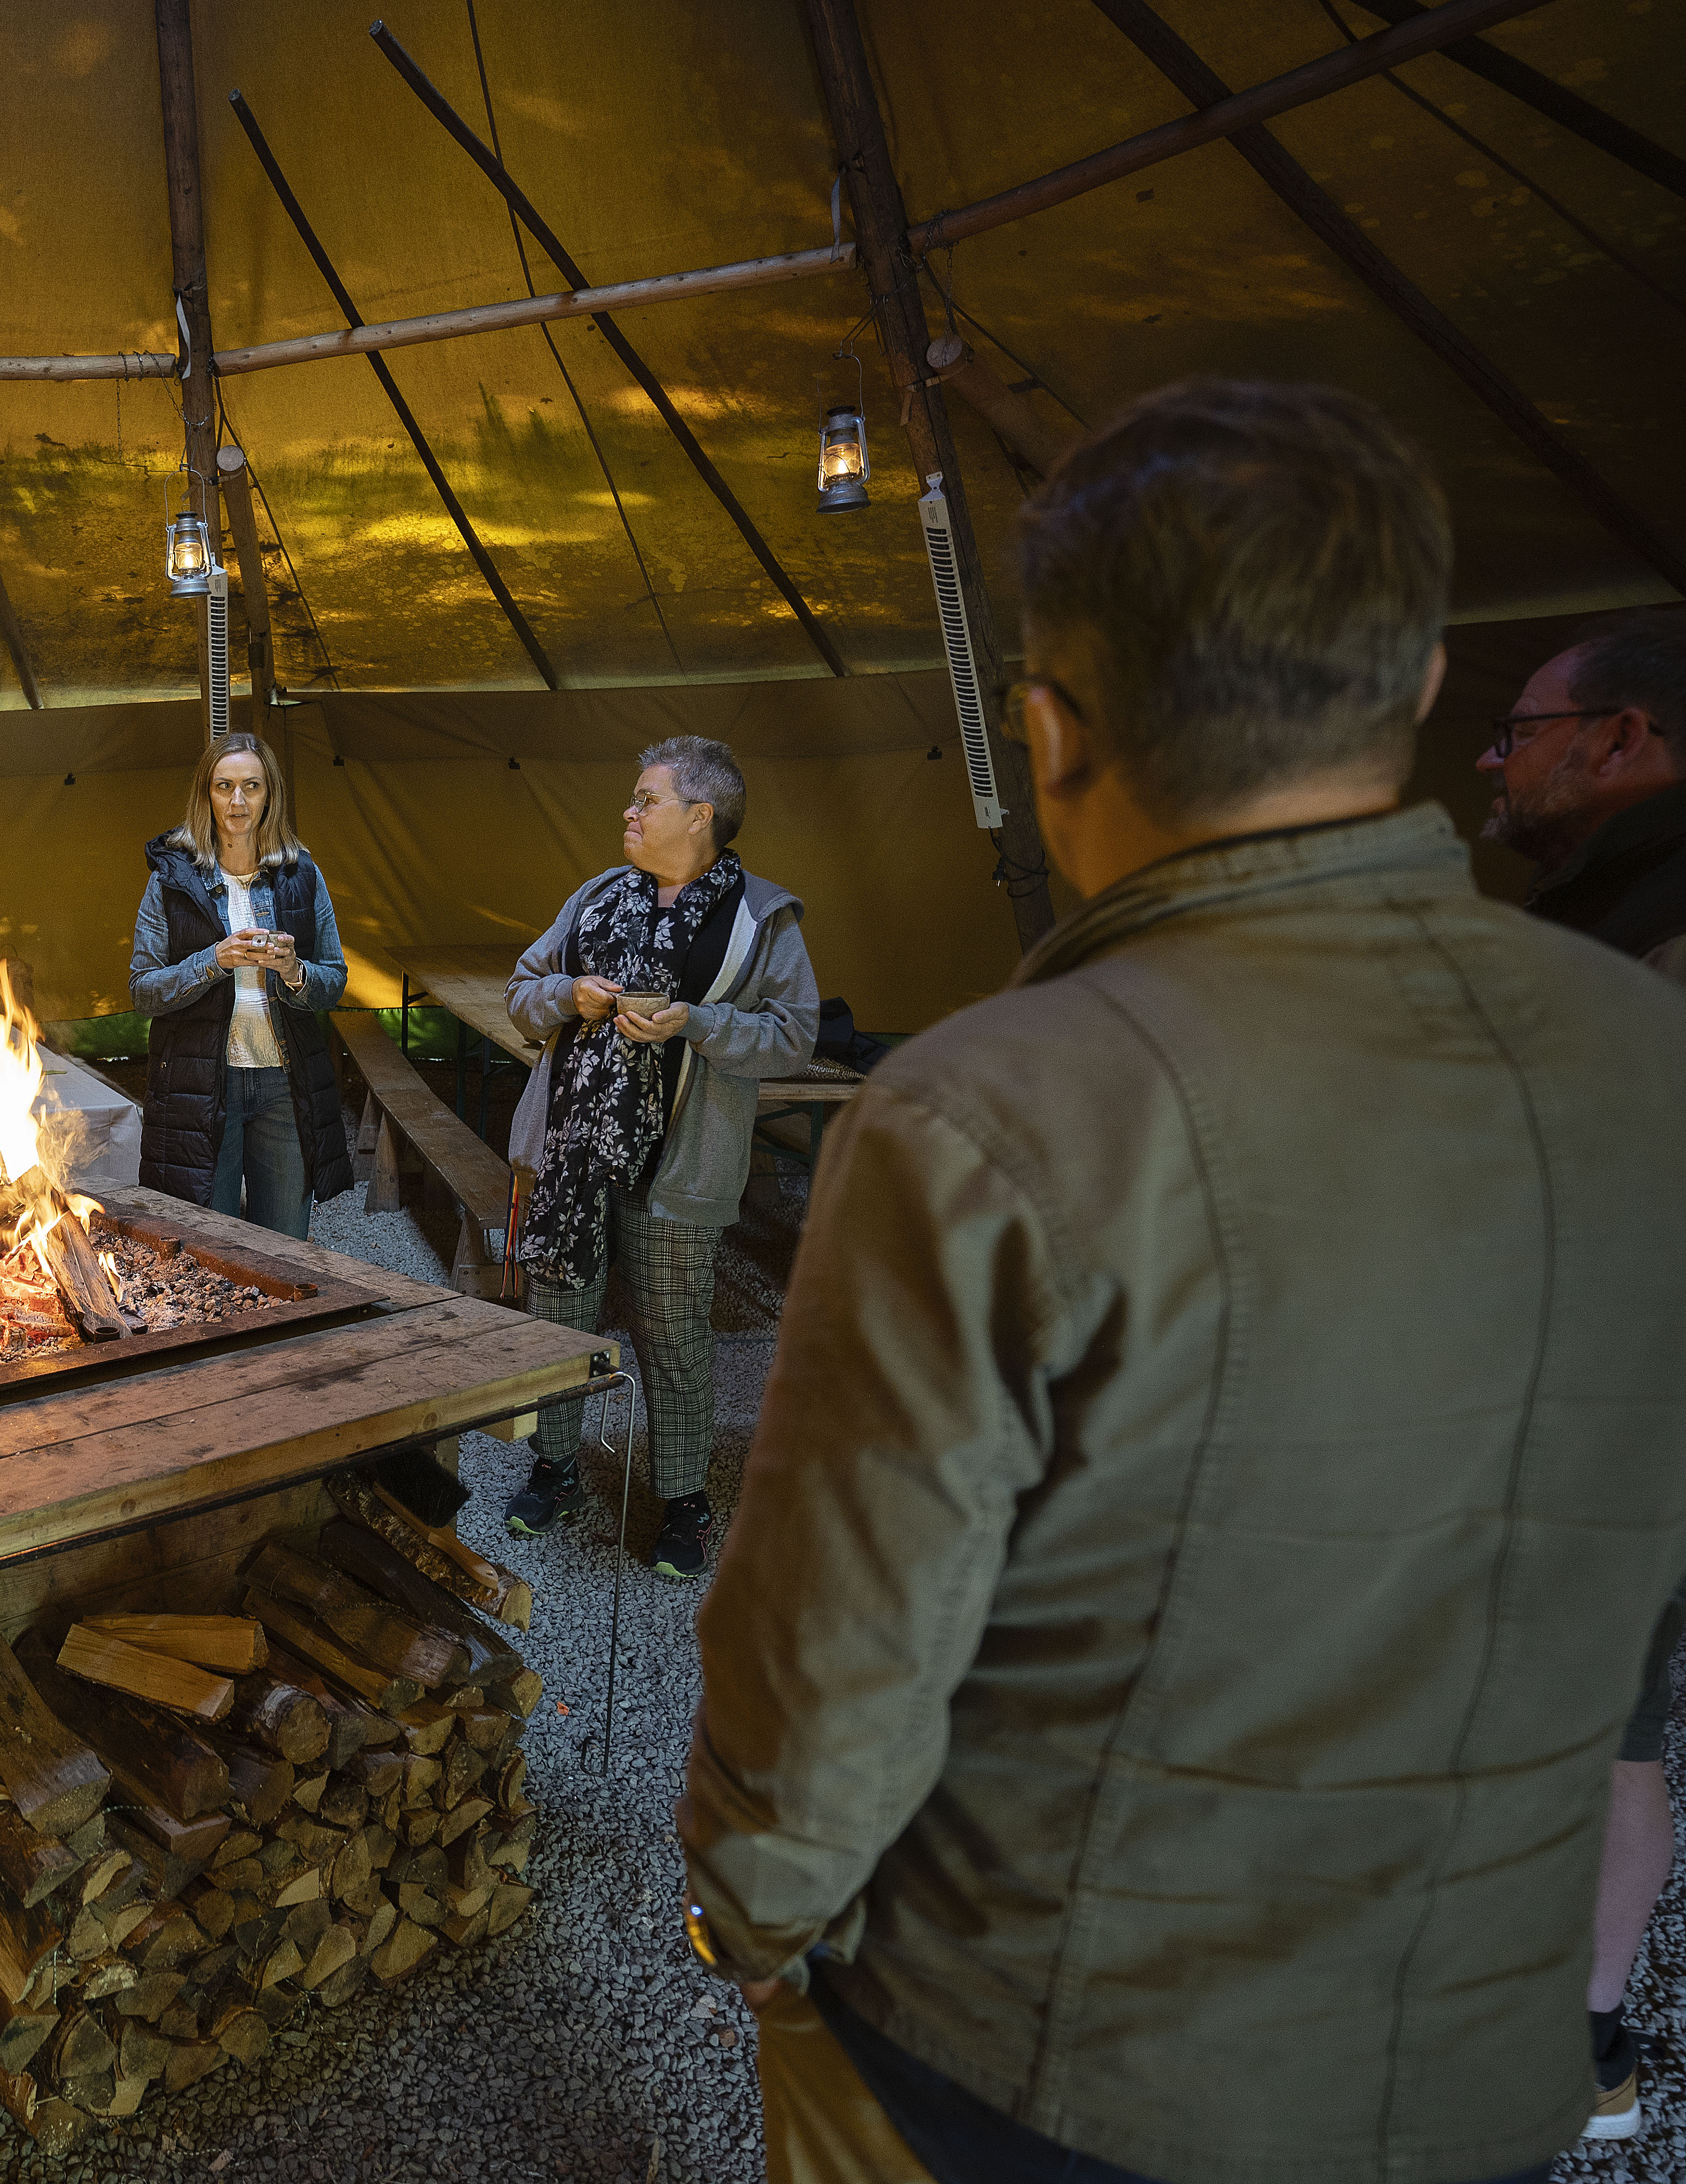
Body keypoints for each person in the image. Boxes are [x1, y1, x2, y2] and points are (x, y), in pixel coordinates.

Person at [679, 381, 1686, 2182]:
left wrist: (750, 1914)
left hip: (1042, 2077)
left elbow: (829, 1660)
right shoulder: (1644, 1049)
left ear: (1052, 729)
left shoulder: (981, 1114)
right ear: (1418, 687)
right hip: (1479, 2062)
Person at [1480, 605, 1685, 2139]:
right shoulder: (1613, 906)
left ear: (1625, 740)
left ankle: (1574, 2047)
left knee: (1597, 1721)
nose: (1497, 762)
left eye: (1524, 733)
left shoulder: (1659, 921)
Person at [497, 737, 815, 1574]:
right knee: (558, 1323)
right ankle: (555, 1467)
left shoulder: (760, 918)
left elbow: (794, 1038)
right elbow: (521, 994)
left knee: (674, 1337)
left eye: (646, 800)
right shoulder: (598, 896)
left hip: (679, 1166)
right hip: (571, 1157)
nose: (629, 814)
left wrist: (697, 1024)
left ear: (699, 816)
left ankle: (684, 1502)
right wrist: (569, 995)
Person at [127, 732, 353, 1237]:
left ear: (269, 793)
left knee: (285, 1244)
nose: (237, 801)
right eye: (224, 786)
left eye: (251, 786)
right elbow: (142, 990)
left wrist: (295, 972)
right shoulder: (171, 879)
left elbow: (334, 979)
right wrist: (213, 960)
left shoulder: (301, 873)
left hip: (282, 1082)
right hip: (206, 1082)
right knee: (216, 1247)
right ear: (204, 795)